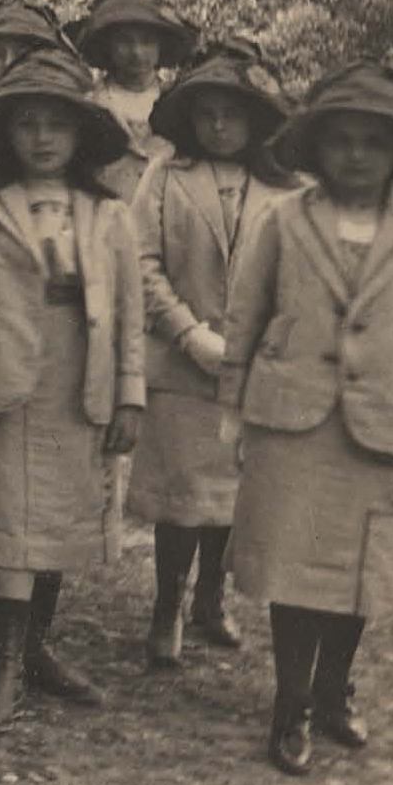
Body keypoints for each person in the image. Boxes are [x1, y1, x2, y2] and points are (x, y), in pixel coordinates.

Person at [221, 60, 393, 776]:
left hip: (385, 424)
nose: (356, 156)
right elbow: (245, 314)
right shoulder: (284, 221)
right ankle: (290, 704)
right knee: (293, 568)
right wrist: (233, 409)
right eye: (341, 140)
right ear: (316, 147)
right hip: (291, 421)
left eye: (374, 142)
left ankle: (334, 691)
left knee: (360, 572)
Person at [0, 45, 148, 735]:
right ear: (6, 134)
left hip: (79, 382)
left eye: (58, 124)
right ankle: (2, 671)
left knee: (57, 521)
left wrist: (129, 396)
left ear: (82, 133)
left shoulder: (109, 214)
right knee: (11, 524)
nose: (44, 138)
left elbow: (128, 316)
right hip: (7, 383)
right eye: (28, 124)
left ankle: (36, 652)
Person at [132, 39, 297, 669]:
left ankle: (210, 596)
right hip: (181, 365)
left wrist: (259, 348)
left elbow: (297, 275)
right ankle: (167, 601)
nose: (220, 125)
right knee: (181, 498)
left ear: (257, 118)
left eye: (233, 112)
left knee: (231, 491)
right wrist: (186, 331)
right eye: (207, 113)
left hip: (255, 368)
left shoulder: (287, 189)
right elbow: (140, 262)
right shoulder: (165, 177)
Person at [76, 0, 196, 170]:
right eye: (124, 42)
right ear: (108, 45)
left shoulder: (178, 99)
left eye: (147, 42)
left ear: (161, 46)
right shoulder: (92, 102)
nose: (137, 52)